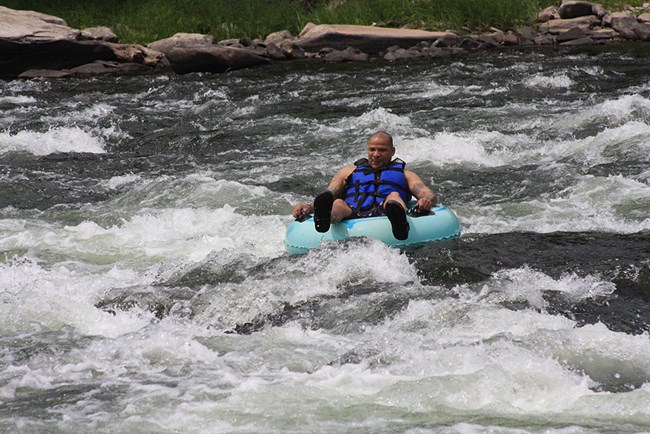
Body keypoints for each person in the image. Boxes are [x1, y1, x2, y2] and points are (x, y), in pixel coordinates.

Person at [292, 131, 437, 240]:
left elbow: (425, 192)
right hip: (351, 211)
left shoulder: (406, 174)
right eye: (372, 149)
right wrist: (309, 207)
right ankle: (326, 218)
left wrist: (425, 201)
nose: (376, 154)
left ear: (393, 151)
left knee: (394, 196)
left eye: (382, 150)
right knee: (337, 203)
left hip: (385, 211)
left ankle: (399, 224)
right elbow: (331, 193)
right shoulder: (349, 171)